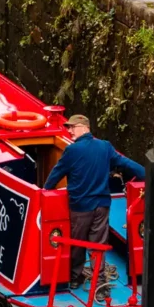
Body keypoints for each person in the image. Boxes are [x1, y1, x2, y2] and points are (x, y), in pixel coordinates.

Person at [43, 114, 145, 289]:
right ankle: (99, 284)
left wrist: (44, 192)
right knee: (98, 245)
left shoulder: (71, 151)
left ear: (84, 128)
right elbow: (127, 164)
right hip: (102, 206)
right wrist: (145, 174)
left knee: (78, 242)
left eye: (72, 127)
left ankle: (75, 277)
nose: (69, 131)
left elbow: (55, 176)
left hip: (80, 207)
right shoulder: (105, 147)